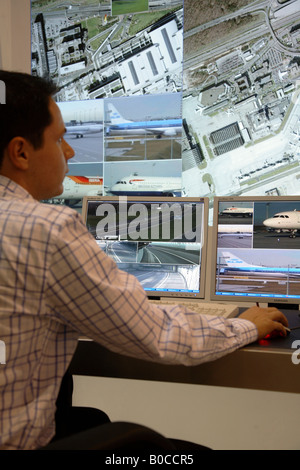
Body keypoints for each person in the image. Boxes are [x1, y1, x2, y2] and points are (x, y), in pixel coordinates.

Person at [0, 70, 289, 451]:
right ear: (20, 152)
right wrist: (245, 326)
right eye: (59, 139)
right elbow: (154, 335)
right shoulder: (45, 229)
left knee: (87, 420)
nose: (69, 152)